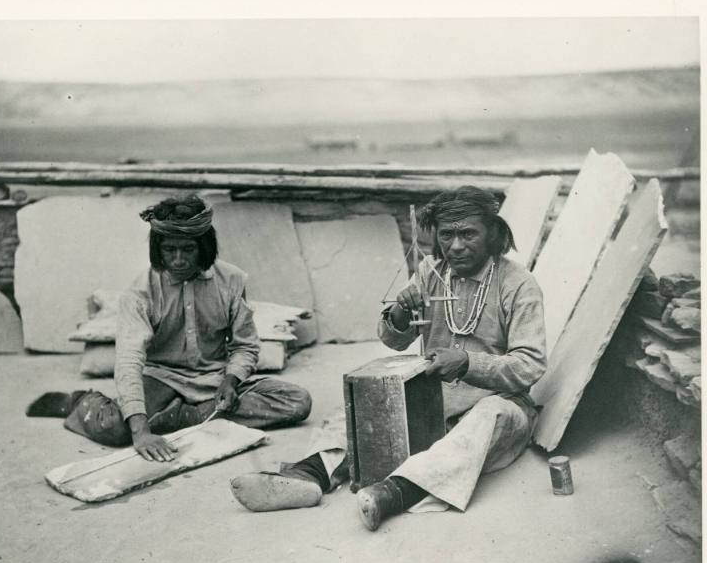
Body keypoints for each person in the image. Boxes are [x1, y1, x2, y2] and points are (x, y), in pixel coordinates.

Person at [230, 186, 546, 530]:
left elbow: (530, 365)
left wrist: (467, 362)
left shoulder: (518, 284)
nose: (455, 246)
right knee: (356, 405)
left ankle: (395, 492)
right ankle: (310, 475)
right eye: (447, 235)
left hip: (496, 404)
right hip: (432, 401)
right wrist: (400, 312)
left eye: (468, 234)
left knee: (489, 416)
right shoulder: (430, 272)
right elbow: (393, 341)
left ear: (493, 233)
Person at [26, 195, 312, 461]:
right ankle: (80, 401)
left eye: (188, 249)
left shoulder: (232, 280)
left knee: (297, 402)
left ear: (205, 247)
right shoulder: (139, 293)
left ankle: (178, 417)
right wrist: (139, 432)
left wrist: (231, 381)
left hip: (214, 380)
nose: (178, 259)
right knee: (115, 429)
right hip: (161, 378)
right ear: (157, 250)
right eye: (169, 250)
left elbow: (245, 345)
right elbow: (128, 361)